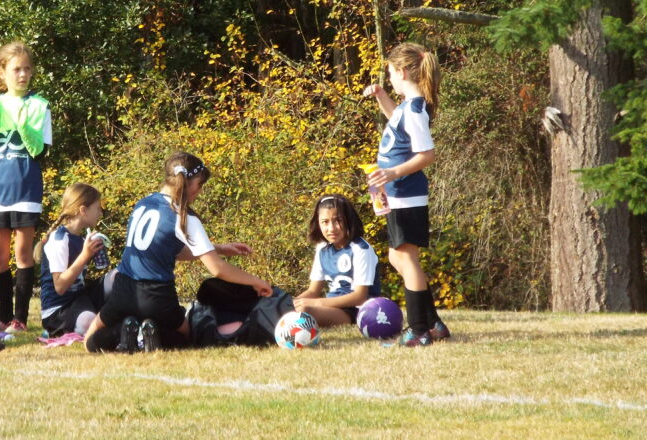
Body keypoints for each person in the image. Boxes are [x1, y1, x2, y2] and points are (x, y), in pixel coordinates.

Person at [85, 152, 272, 353]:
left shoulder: (143, 203)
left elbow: (168, 250)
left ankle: (123, 331)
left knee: (90, 341)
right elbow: (217, 269)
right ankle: (151, 333)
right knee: (187, 339)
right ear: (187, 183)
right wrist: (256, 281)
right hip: (157, 296)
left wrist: (218, 248)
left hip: (123, 289)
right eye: (200, 185)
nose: (199, 192)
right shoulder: (185, 215)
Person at [363, 41, 450, 346]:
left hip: (407, 194)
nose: (388, 78)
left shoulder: (415, 109)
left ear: (401, 71)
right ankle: (434, 324)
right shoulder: (405, 107)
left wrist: (392, 173)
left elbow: (427, 154)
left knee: (406, 258)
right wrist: (382, 97)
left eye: (389, 74)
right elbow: (397, 128)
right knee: (398, 258)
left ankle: (419, 330)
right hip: (397, 194)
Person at [0, 41, 51, 333]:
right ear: (2, 72)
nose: (23, 75)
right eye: (16, 69)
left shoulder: (39, 105)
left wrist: (22, 122)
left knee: (22, 255)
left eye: (27, 69)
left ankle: (20, 319)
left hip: (25, 190)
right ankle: (3, 317)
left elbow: (38, 151)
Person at [37, 182, 115, 338]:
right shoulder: (59, 240)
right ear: (83, 210)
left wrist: (93, 253)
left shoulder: (79, 238)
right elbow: (60, 286)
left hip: (79, 300)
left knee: (117, 277)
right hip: (58, 310)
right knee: (88, 321)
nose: (101, 213)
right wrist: (85, 255)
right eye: (97, 208)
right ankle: (90, 329)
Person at [292, 194, 380, 327]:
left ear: (347, 220)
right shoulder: (322, 248)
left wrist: (314, 303)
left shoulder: (361, 249)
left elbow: (360, 296)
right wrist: (292, 303)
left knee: (304, 311)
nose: (331, 228)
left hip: (355, 310)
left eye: (337, 220)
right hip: (331, 306)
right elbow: (313, 291)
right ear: (318, 223)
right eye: (325, 222)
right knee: (289, 310)